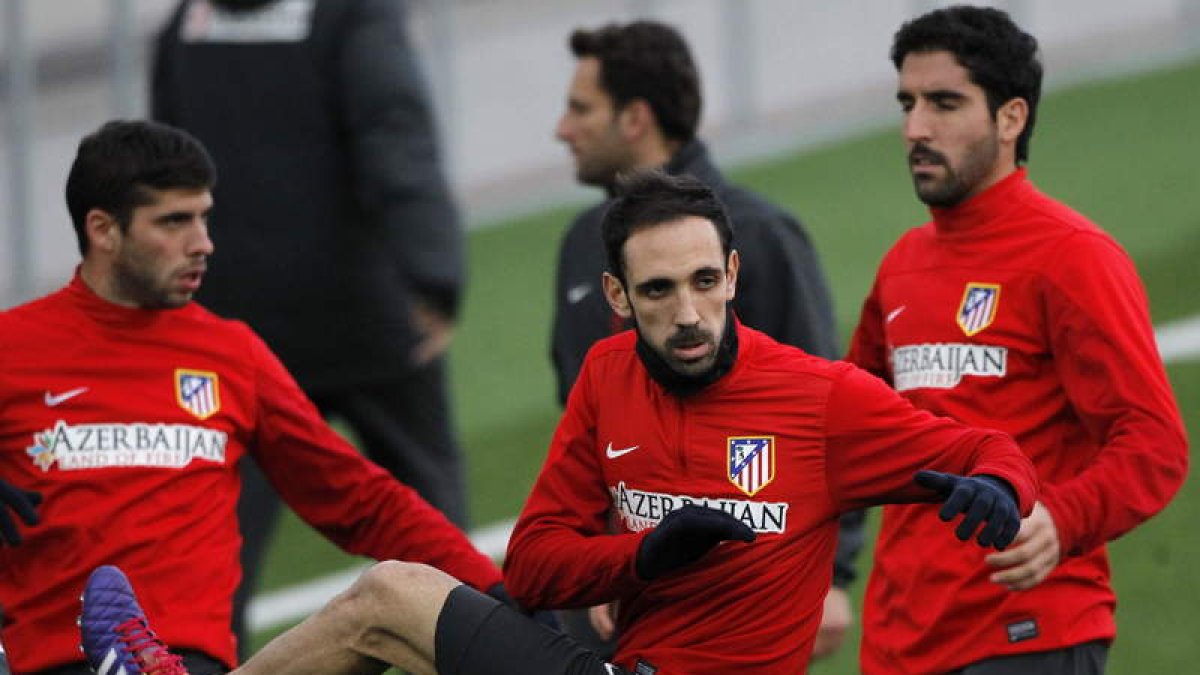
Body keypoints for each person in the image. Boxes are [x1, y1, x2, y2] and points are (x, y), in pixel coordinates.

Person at [79, 170, 1037, 675]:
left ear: (734, 277)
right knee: (385, 609)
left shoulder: (821, 399)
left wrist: (1002, 487)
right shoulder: (608, 375)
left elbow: (981, 446)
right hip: (613, 664)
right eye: (660, 290)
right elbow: (533, 564)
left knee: (388, 602)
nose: (690, 311)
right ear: (618, 296)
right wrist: (643, 556)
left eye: (707, 282)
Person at [0, 119, 504, 675]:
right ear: (103, 230)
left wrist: (498, 596)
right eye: (174, 222)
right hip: (49, 664)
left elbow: (362, 499)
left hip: (198, 666)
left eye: (203, 217)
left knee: (387, 602)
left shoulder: (230, 353)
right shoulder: (13, 350)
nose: (203, 243)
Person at [847, 6, 1189, 674]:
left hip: (1027, 636)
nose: (915, 128)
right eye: (907, 103)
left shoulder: (1072, 257)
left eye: (944, 103)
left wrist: (1061, 519)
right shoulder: (902, 265)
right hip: (902, 642)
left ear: (1011, 118)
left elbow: (1154, 442)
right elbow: (844, 428)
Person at [150, 0, 471, 654]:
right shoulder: (352, 18)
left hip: (240, 335)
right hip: (369, 324)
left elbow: (161, 190)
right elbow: (395, 139)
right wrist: (432, 273)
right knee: (437, 534)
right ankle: (491, 653)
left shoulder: (184, 32)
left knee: (209, 557)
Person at [550, 20, 861, 657]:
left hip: (739, 586)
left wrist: (837, 571)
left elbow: (830, 408)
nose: (562, 128)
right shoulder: (584, 243)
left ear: (635, 119)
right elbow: (578, 426)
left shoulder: (760, 233)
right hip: (615, 584)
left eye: (581, 109)